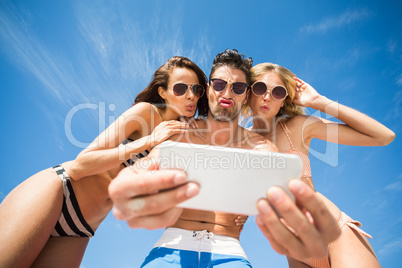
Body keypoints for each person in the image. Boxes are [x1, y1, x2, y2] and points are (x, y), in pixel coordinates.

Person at [109, 49, 341, 267]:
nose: (227, 93)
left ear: (246, 95)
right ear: (209, 89)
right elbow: (140, 172)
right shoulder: (177, 132)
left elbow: (287, 195)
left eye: (238, 88)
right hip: (171, 246)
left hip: (229, 251)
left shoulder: (261, 147)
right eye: (219, 84)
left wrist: (256, 201)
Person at [0, 56, 208, 267]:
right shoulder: (146, 113)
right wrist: (149, 141)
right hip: (59, 193)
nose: (190, 96)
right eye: (181, 89)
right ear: (163, 92)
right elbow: (82, 164)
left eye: (197, 89)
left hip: (82, 229)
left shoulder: (182, 135)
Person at [244, 62, 395, 267]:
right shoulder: (239, 143)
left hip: (334, 233)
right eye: (260, 88)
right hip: (294, 251)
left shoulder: (297, 127)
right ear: (247, 92)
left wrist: (319, 101)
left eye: (278, 92)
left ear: (284, 101)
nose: (267, 97)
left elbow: (383, 136)